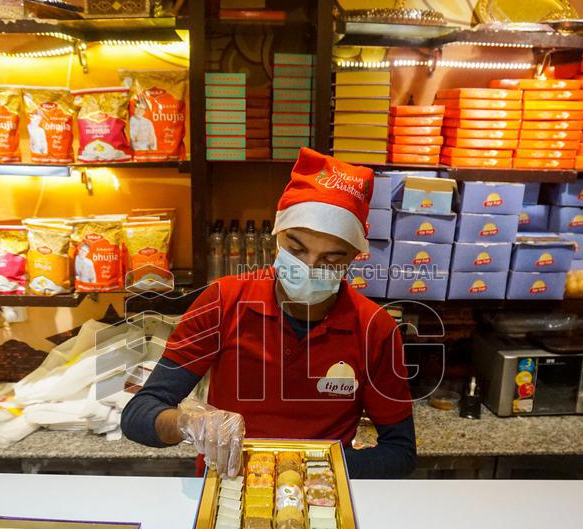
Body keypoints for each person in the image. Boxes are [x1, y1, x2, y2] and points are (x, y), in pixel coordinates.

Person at [122, 148, 416, 479]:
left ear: (353, 258)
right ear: (277, 237)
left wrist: (303, 467)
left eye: (331, 258)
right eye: (297, 248)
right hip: (228, 484)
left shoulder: (374, 328)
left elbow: (400, 452)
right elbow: (138, 414)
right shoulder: (225, 300)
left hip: (322, 487)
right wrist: (188, 423)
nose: (308, 267)